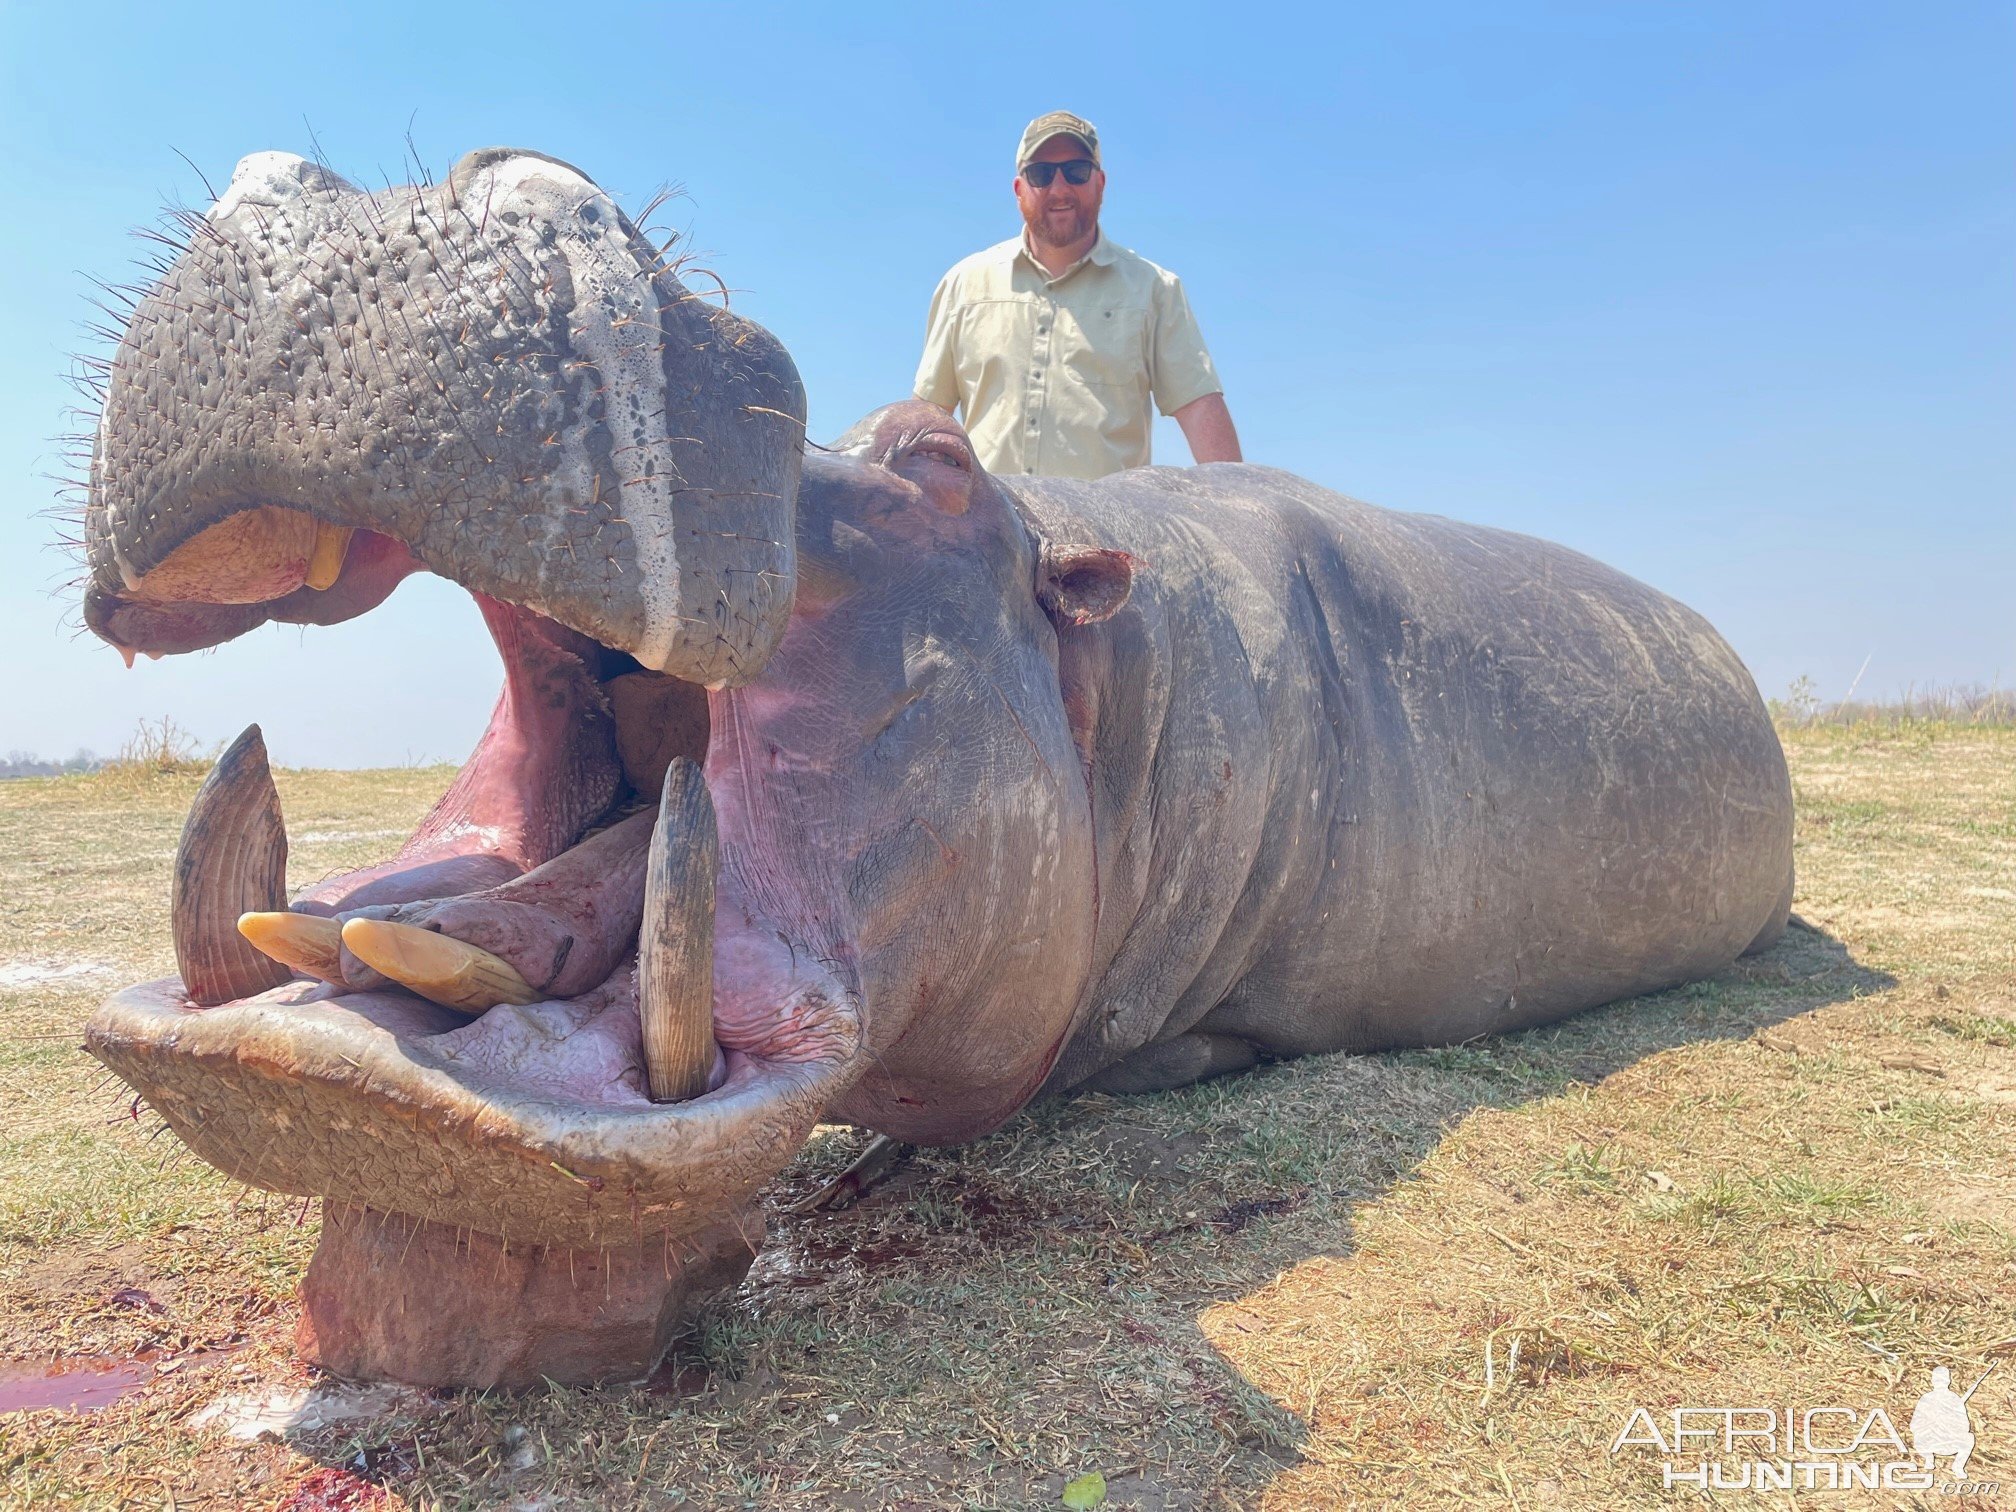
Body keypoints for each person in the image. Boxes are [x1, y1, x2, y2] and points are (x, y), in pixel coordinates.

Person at [914, 110, 1241, 480]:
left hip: (1108, 535)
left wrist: (1244, 513)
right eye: (1041, 174)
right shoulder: (963, 285)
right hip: (992, 533)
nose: (1059, 188)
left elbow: (1198, 407)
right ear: (1019, 189)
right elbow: (928, 419)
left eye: (1076, 171)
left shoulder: (1155, 291)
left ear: (1100, 184)